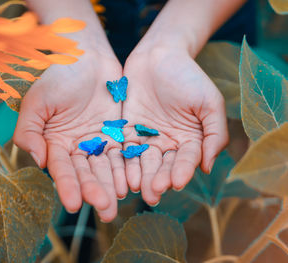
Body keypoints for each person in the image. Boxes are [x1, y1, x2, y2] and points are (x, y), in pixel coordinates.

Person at [14, 0, 247, 222]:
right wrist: (76, 44)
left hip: (206, 18)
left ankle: (144, 215)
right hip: (88, 20)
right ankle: (76, 231)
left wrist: (171, 43)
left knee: (155, 179)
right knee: (73, 170)